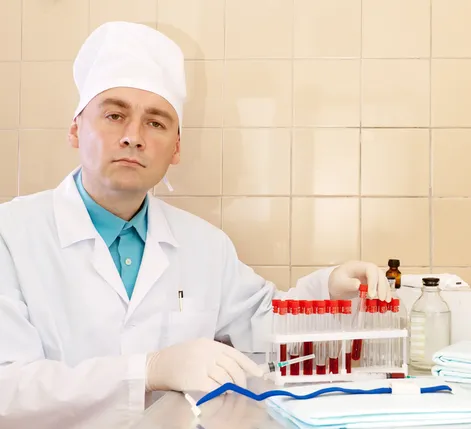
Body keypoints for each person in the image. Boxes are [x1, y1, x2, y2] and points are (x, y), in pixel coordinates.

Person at [0, 21, 391, 428]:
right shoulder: (10, 234)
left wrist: (328, 290)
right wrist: (148, 370)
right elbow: (6, 387)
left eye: (156, 123)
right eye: (115, 115)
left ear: (177, 148)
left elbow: (263, 331)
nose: (134, 136)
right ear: (76, 129)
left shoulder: (204, 244)